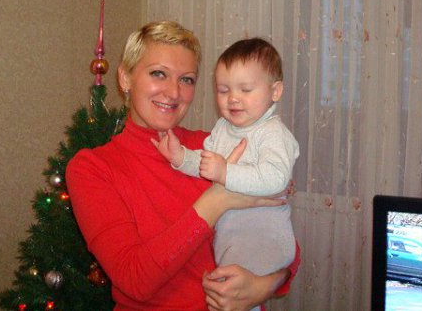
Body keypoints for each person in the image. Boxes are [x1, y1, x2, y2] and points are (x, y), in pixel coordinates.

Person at [66, 21, 299, 311]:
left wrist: (265, 284)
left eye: (186, 80)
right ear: (125, 78)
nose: (174, 92)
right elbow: (135, 280)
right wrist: (217, 200)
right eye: (158, 74)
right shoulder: (93, 168)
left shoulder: (213, 146)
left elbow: (279, 236)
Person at [153, 37, 298, 289]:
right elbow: (208, 163)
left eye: (246, 89)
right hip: (233, 242)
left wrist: (226, 173)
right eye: (223, 90)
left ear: (275, 91)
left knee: (234, 296)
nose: (233, 98)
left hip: (263, 241)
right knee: (229, 296)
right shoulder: (223, 128)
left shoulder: (272, 132)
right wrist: (182, 157)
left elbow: (276, 179)